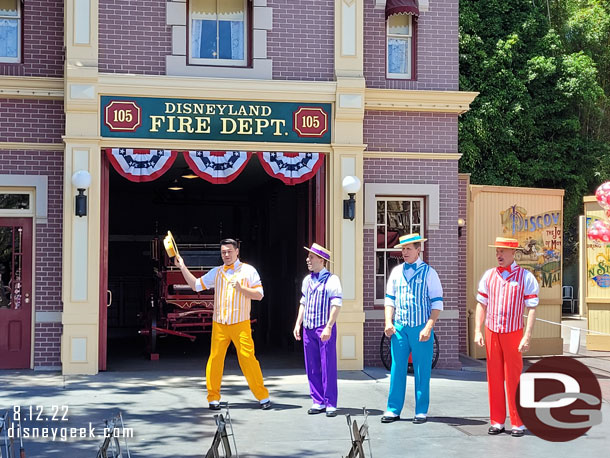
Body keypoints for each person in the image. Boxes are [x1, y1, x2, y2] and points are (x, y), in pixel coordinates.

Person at [175, 238, 271, 410]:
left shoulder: (249, 271)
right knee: (215, 359)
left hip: (240, 322)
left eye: (229, 251)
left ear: (237, 251)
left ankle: (262, 396)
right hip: (220, 323)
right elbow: (196, 285)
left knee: (248, 358)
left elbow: (259, 294)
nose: (226, 255)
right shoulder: (216, 272)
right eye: (223, 252)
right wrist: (182, 266)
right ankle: (213, 398)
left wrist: (242, 289)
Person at [474, 237, 539, 437]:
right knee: (493, 377)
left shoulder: (526, 277)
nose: (499, 255)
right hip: (492, 330)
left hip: (513, 332)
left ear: (513, 253)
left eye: (502, 251)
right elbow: (481, 304)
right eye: (497, 251)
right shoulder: (489, 275)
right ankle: (497, 422)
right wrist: (478, 330)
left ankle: (518, 423)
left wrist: (527, 335)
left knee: (514, 378)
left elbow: (532, 308)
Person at [381, 233, 443, 424]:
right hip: (400, 327)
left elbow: (437, 303)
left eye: (409, 249)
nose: (405, 252)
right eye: (403, 249)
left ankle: (421, 410)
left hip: (421, 328)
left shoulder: (429, 273)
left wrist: (428, 327)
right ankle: (393, 409)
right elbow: (390, 299)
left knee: (421, 369)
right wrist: (388, 322)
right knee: (397, 368)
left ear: (418, 250)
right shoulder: (396, 272)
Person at [293, 243, 343, 418]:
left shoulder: (332, 280)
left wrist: (329, 326)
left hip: (323, 327)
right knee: (312, 365)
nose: (308, 260)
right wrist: (298, 324)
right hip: (309, 327)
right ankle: (318, 400)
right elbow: (303, 303)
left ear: (321, 260)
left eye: (312, 257)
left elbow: (336, 305)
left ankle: (330, 402)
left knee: (327, 365)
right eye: (309, 257)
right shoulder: (307, 280)